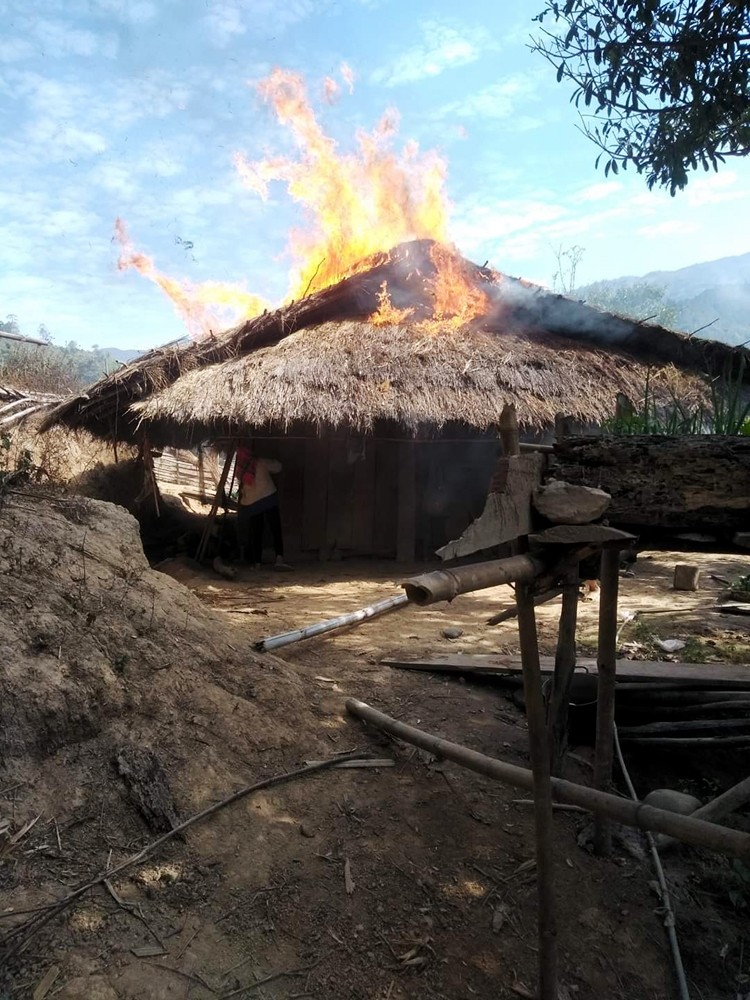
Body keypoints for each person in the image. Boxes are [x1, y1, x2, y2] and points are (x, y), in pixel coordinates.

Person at [234, 443, 290, 570]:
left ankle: (257, 563)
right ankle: (279, 559)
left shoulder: (240, 469)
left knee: (256, 532)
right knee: (275, 529)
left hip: (252, 503)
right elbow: (278, 467)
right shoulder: (260, 462)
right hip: (268, 499)